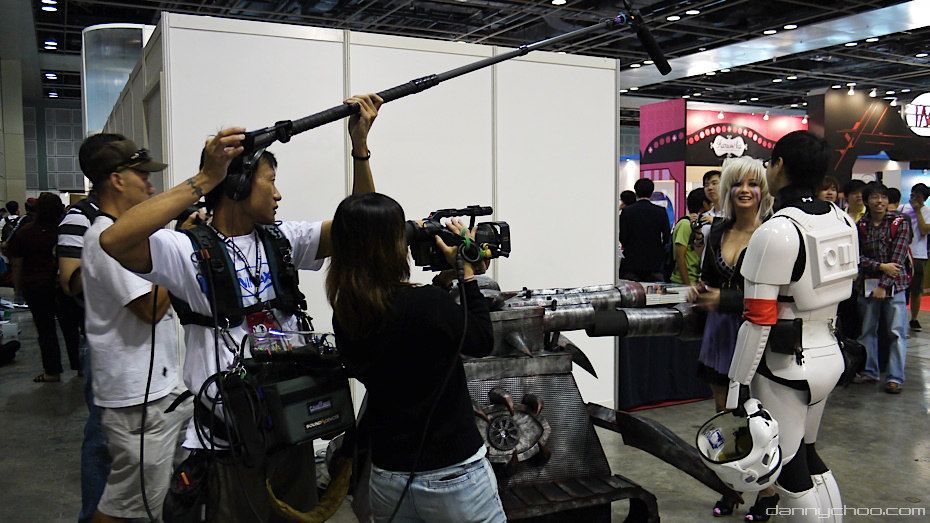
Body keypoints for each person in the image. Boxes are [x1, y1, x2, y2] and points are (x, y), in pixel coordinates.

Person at [99, 93, 382, 521]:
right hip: (229, 445)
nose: (278, 193)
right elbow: (115, 240)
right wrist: (205, 177)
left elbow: (363, 228)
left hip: (290, 429)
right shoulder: (186, 251)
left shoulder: (283, 239)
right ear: (238, 185)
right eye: (270, 181)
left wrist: (360, 149)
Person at [328, 193, 505, 522]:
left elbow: (408, 329)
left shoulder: (346, 312)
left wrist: (447, 280)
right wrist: (468, 275)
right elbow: (480, 339)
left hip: (388, 478)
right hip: (453, 476)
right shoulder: (427, 304)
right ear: (392, 245)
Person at [720, 131, 857, 522]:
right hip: (828, 354)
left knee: (787, 469)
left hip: (785, 366)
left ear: (779, 165)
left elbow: (758, 317)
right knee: (808, 456)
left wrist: (737, 383)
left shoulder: (777, 231)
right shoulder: (843, 219)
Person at [77, 136, 192, 522]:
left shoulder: (130, 235)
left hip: (162, 389)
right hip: (137, 400)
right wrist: (179, 248)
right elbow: (150, 308)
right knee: (126, 506)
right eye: (142, 175)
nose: (150, 185)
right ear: (117, 180)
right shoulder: (104, 241)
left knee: (166, 492)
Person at [689, 157, 776, 520]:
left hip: (758, 334)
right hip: (719, 335)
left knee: (760, 419)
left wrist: (723, 299)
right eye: (738, 183)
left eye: (753, 184)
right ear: (727, 189)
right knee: (726, 418)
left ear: (763, 190)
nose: (745, 190)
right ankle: (731, 485)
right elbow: (710, 277)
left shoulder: (774, 233)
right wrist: (701, 291)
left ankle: (767, 491)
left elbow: (778, 296)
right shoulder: (717, 231)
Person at [4, 192, 82, 382]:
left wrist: (17, 289)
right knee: (71, 328)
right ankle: (81, 367)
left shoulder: (26, 232)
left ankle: (52, 372)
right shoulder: (65, 231)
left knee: (45, 330)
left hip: (35, 286)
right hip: (62, 286)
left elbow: (16, 263)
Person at [854, 183, 911, 394]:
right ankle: (870, 371)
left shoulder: (899, 222)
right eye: (874, 197)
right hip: (868, 286)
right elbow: (857, 257)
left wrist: (883, 285)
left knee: (896, 332)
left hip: (895, 286)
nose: (880, 201)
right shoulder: (861, 225)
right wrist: (880, 267)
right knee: (867, 331)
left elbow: (898, 259)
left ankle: (895, 377)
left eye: (883, 197)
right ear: (867, 201)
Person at [618, 178, 670, 281]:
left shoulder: (627, 211)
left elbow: (623, 238)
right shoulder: (661, 211)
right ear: (651, 192)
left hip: (631, 262)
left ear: (636, 192)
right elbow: (667, 237)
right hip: (654, 263)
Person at [902, 183, 930, 331]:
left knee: (916, 289)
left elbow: (925, 230)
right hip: (902, 252)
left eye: (918, 196)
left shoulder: (927, 211)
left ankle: (914, 318)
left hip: (918, 254)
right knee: (901, 287)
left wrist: (918, 211)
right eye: (913, 195)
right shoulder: (902, 208)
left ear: (924, 198)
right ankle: (900, 317)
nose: (914, 198)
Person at [669, 188, 707, 286]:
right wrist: (687, 285)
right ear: (704, 204)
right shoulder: (685, 224)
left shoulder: (699, 225)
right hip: (683, 281)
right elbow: (680, 256)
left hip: (696, 280)